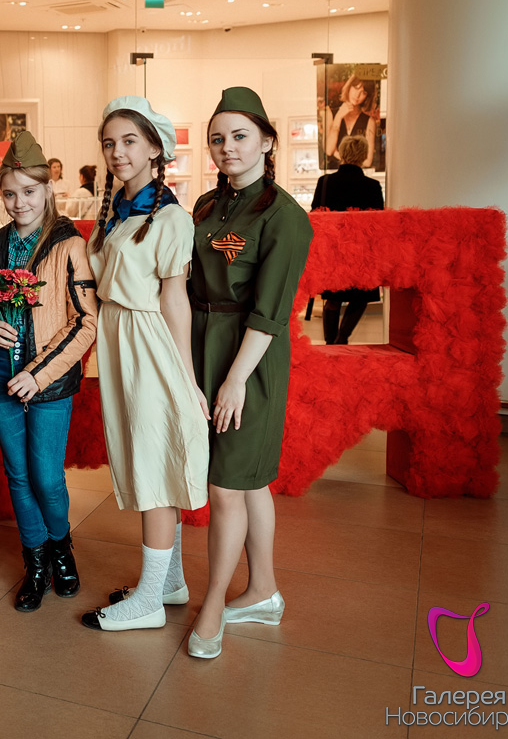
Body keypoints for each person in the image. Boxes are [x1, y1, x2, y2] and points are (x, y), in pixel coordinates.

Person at [187, 88, 312, 659]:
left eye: (240, 136)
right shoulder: (207, 206)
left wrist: (235, 379)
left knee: (227, 484)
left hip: (249, 356)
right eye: (218, 138)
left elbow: (270, 312)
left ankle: (214, 602)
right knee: (250, 481)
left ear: (266, 141)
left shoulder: (286, 217)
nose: (227, 147)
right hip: (204, 343)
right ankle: (263, 591)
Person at [78, 97, 210, 632]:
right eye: (109, 143)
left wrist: (186, 377)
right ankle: (170, 582)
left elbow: (175, 299)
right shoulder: (116, 211)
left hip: (148, 342)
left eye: (130, 141)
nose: (118, 152)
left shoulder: (172, 217)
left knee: (154, 466)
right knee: (141, 457)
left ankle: (149, 600)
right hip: (118, 339)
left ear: (156, 148)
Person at [0, 130, 97, 612]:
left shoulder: (69, 245)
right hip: (0, 375)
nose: (20, 203)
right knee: (17, 475)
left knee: (46, 476)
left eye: (30, 191)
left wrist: (38, 375)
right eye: (10, 193)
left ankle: (62, 550)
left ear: (47, 189)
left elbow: (86, 322)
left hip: (49, 381)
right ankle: (35, 561)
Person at [312, 136, 384, 344]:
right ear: (364, 155)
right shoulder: (372, 186)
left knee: (333, 298)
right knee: (361, 296)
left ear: (341, 153)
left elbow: (316, 215)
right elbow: (378, 222)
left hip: (333, 249)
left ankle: (331, 345)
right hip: (362, 250)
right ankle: (342, 338)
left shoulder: (325, 182)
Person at [326, 74, 378, 169]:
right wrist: (338, 117)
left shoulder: (369, 121)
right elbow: (329, 150)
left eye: (363, 93)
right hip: (333, 172)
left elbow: (367, 161)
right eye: (355, 88)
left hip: (357, 175)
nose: (357, 95)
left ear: (367, 97)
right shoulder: (331, 113)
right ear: (349, 87)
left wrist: (337, 154)